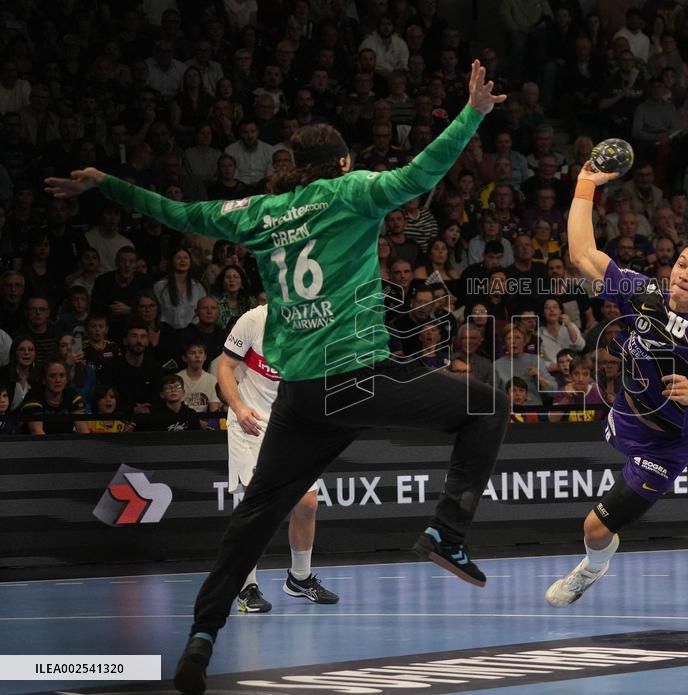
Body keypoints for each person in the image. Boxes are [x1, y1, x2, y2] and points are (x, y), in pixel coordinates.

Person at [46, 59, 508, 695]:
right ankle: (447, 533)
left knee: (252, 521)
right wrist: (473, 112)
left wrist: (107, 183)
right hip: (360, 378)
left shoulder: (260, 213)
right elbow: (420, 172)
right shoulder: (351, 193)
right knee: (486, 407)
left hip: (303, 399)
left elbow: (180, 213)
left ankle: (200, 641)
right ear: (343, 163)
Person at [544, 161, 688, 608]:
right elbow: (582, 253)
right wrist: (586, 184)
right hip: (626, 414)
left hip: (666, 445)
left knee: (595, 529)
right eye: (682, 263)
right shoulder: (641, 292)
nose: (683, 273)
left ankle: (593, 567)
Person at [218, 304, 339, 613]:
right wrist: (238, 406)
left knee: (307, 504)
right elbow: (225, 367)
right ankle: (246, 587)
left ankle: (299, 578)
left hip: (292, 424)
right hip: (251, 421)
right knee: (256, 508)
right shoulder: (253, 319)